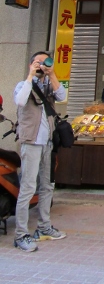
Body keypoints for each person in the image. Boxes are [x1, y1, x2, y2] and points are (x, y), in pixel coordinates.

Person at [13, 51, 67, 252]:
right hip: (31, 142)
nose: (42, 65)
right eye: (38, 62)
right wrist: (31, 75)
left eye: (46, 62)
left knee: (47, 186)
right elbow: (20, 101)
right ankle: (21, 234)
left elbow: (62, 96)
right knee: (28, 188)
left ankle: (44, 227)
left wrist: (52, 74)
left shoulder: (49, 86)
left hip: (48, 143)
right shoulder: (23, 85)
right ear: (31, 64)